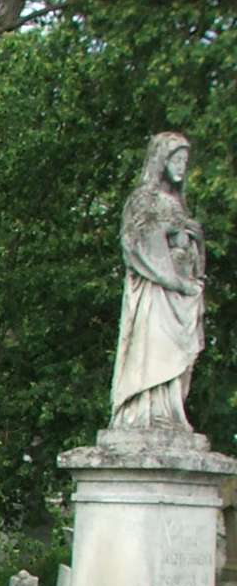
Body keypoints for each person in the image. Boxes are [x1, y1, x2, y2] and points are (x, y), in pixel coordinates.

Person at [109, 132, 205, 432]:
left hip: (177, 294)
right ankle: (145, 411)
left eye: (185, 161)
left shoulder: (178, 204)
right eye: (176, 160)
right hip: (155, 292)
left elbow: (191, 253)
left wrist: (191, 239)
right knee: (152, 352)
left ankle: (171, 411)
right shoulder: (144, 199)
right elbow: (136, 243)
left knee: (176, 355)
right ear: (161, 161)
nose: (181, 167)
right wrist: (172, 276)